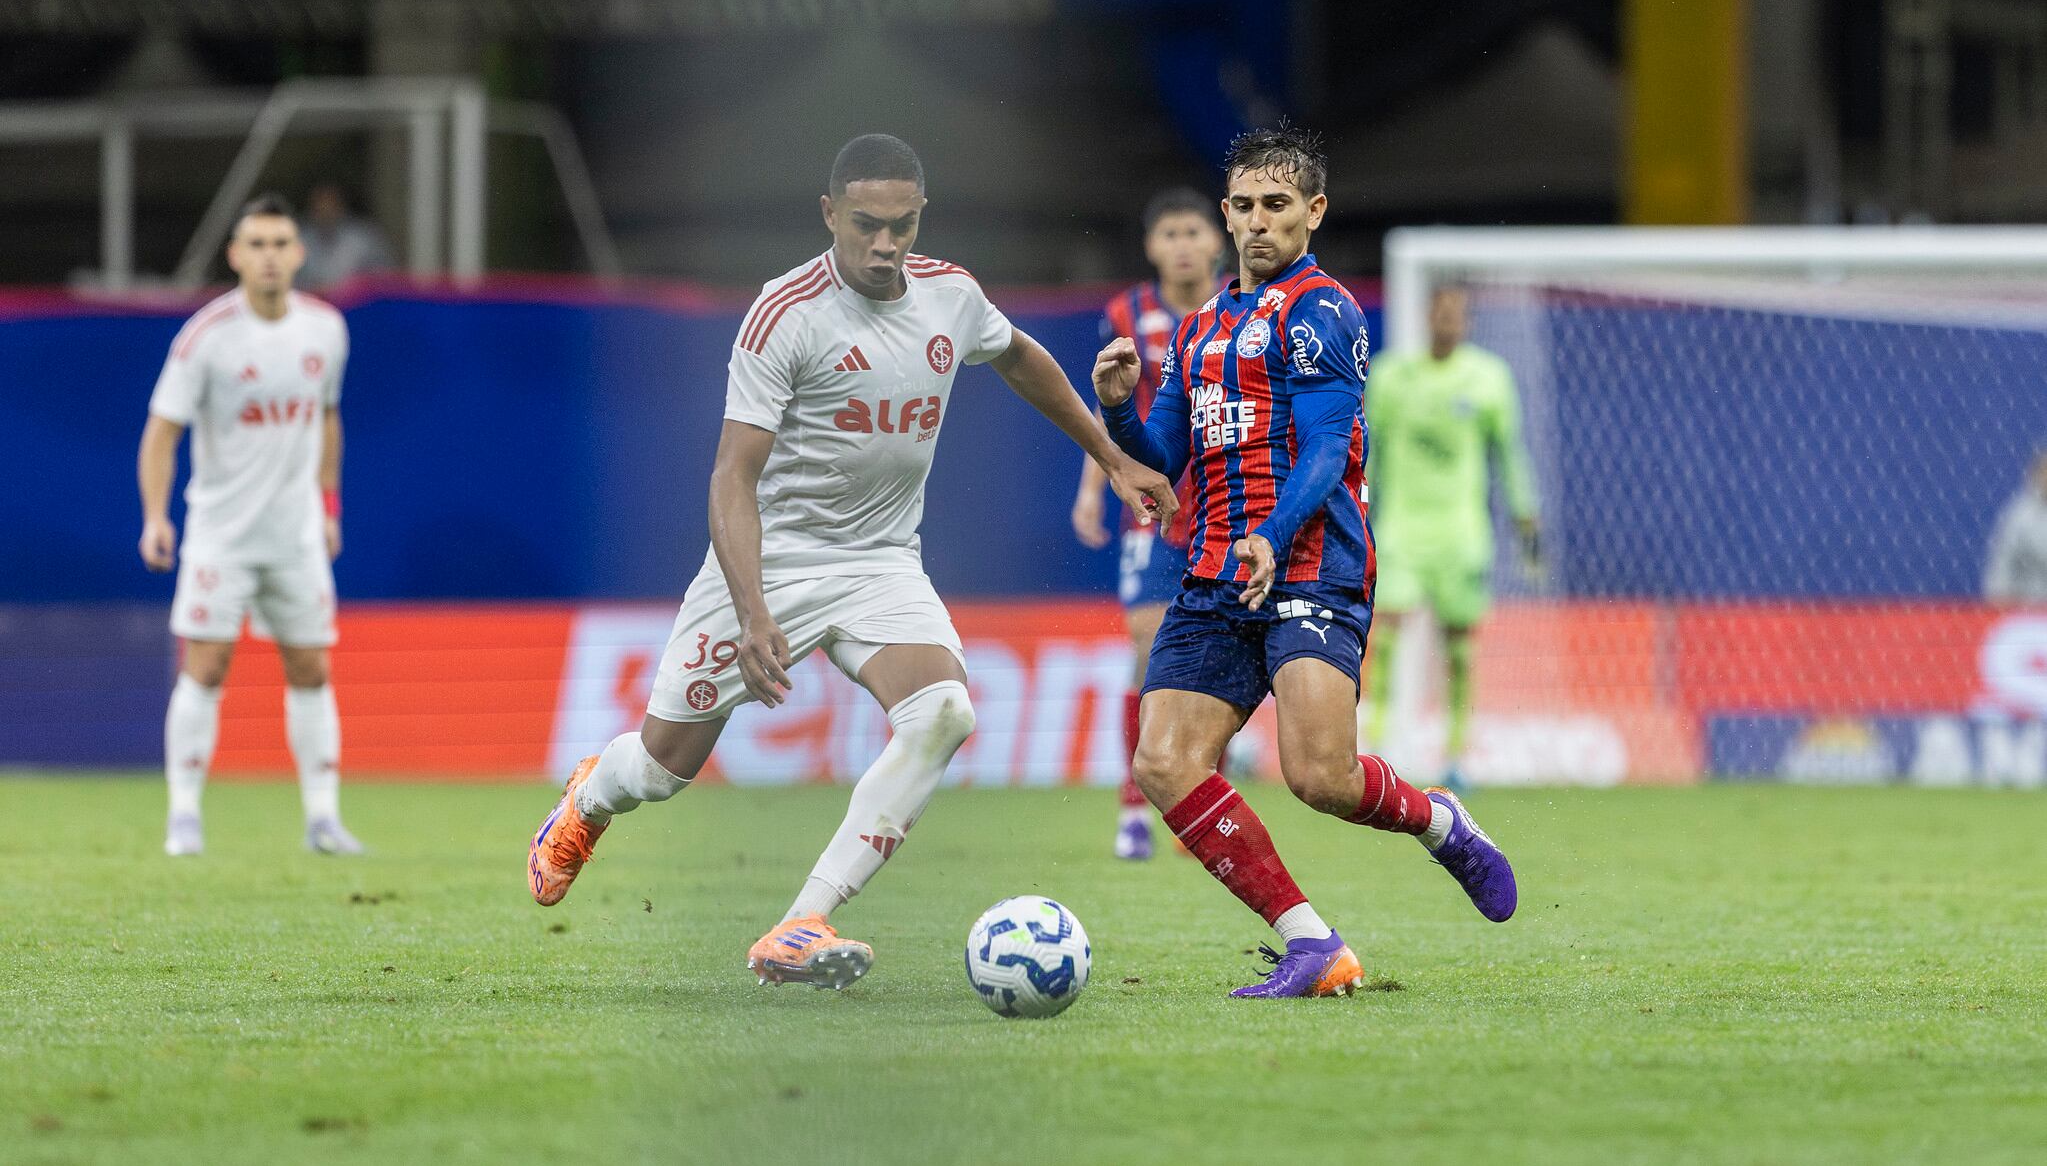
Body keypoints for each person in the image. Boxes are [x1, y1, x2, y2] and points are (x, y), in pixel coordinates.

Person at [525, 134, 1177, 990]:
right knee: (659, 769)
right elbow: (731, 477)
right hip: (772, 559)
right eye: (866, 224)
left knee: (944, 712)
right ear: (829, 213)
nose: (884, 244)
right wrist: (753, 611)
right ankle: (587, 797)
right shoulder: (785, 313)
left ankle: (802, 921)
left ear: (921, 217)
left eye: (901, 225)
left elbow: (1019, 356)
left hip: (880, 560)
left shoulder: (950, 295)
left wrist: (1111, 455)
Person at [1096, 123, 1515, 1000]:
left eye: (1277, 205)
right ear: (1225, 213)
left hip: (1310, 567)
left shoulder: (1321, 311)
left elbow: (1327, 448)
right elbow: (1162, 456)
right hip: (1215, 575)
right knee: (1163, 762)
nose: (1258, 222)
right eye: (1244, 205)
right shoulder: (1200, 329)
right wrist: (1119, 409)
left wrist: (1273, 534)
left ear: (1313, 211)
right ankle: (1311, 943)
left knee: (1320, 778)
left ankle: (1440, 823)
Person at [137, 193, 362, 857]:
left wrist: (329, 506)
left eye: (280, 243)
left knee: (311, 666)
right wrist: (156, 517)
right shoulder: (206, 338)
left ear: (299, 253)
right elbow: (161, 431)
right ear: (235, 255)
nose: (269, 256)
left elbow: (327, 417)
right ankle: (183, 817)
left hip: (295, 534)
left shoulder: (326, 329)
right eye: (256, 244)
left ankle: (323, 820)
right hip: (222, 535)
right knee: (205, 666)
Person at [1071, 187, 1225, 861]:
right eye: (1170, 234)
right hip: (1153, 509)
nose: (1183, 245)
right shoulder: (1126, 314)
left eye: (1193, 232)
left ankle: (1203, 799)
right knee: (1147, 644)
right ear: (1151, 247)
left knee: (1218, 656)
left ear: (1216, 240)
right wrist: (1091, 489)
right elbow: (1104, 406)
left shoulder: (1244, 308)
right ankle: (1133, 808)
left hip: (1226, 505)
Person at [1360, 286, 1540, 789]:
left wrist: (1525, 514)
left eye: (1457, 314)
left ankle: (1456, 754)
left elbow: (1509, 453)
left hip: (1461, 531)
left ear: (1468, 321)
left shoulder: (1488, 378)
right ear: (1427, 317)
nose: (1448, 321)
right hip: (1402, 528)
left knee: (1458, 647)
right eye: (1440, 312)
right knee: (1385, 635)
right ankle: (1374, 743)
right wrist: (1359, 510)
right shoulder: (1392, 376)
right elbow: (1371, 451)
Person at [296, 182, 395, 289]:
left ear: (340, 206)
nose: (325, 210)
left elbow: (385, 276)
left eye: (330, 204)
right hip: (310, 298)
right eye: (320, 205)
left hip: (358, 297)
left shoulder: (364, 237)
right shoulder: (299, 238)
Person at [1984, 444, 2047, 604]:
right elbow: (2002, 561)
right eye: (2043, 471)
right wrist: (1999, 601)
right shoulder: (2019, 515)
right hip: (2025, 605)